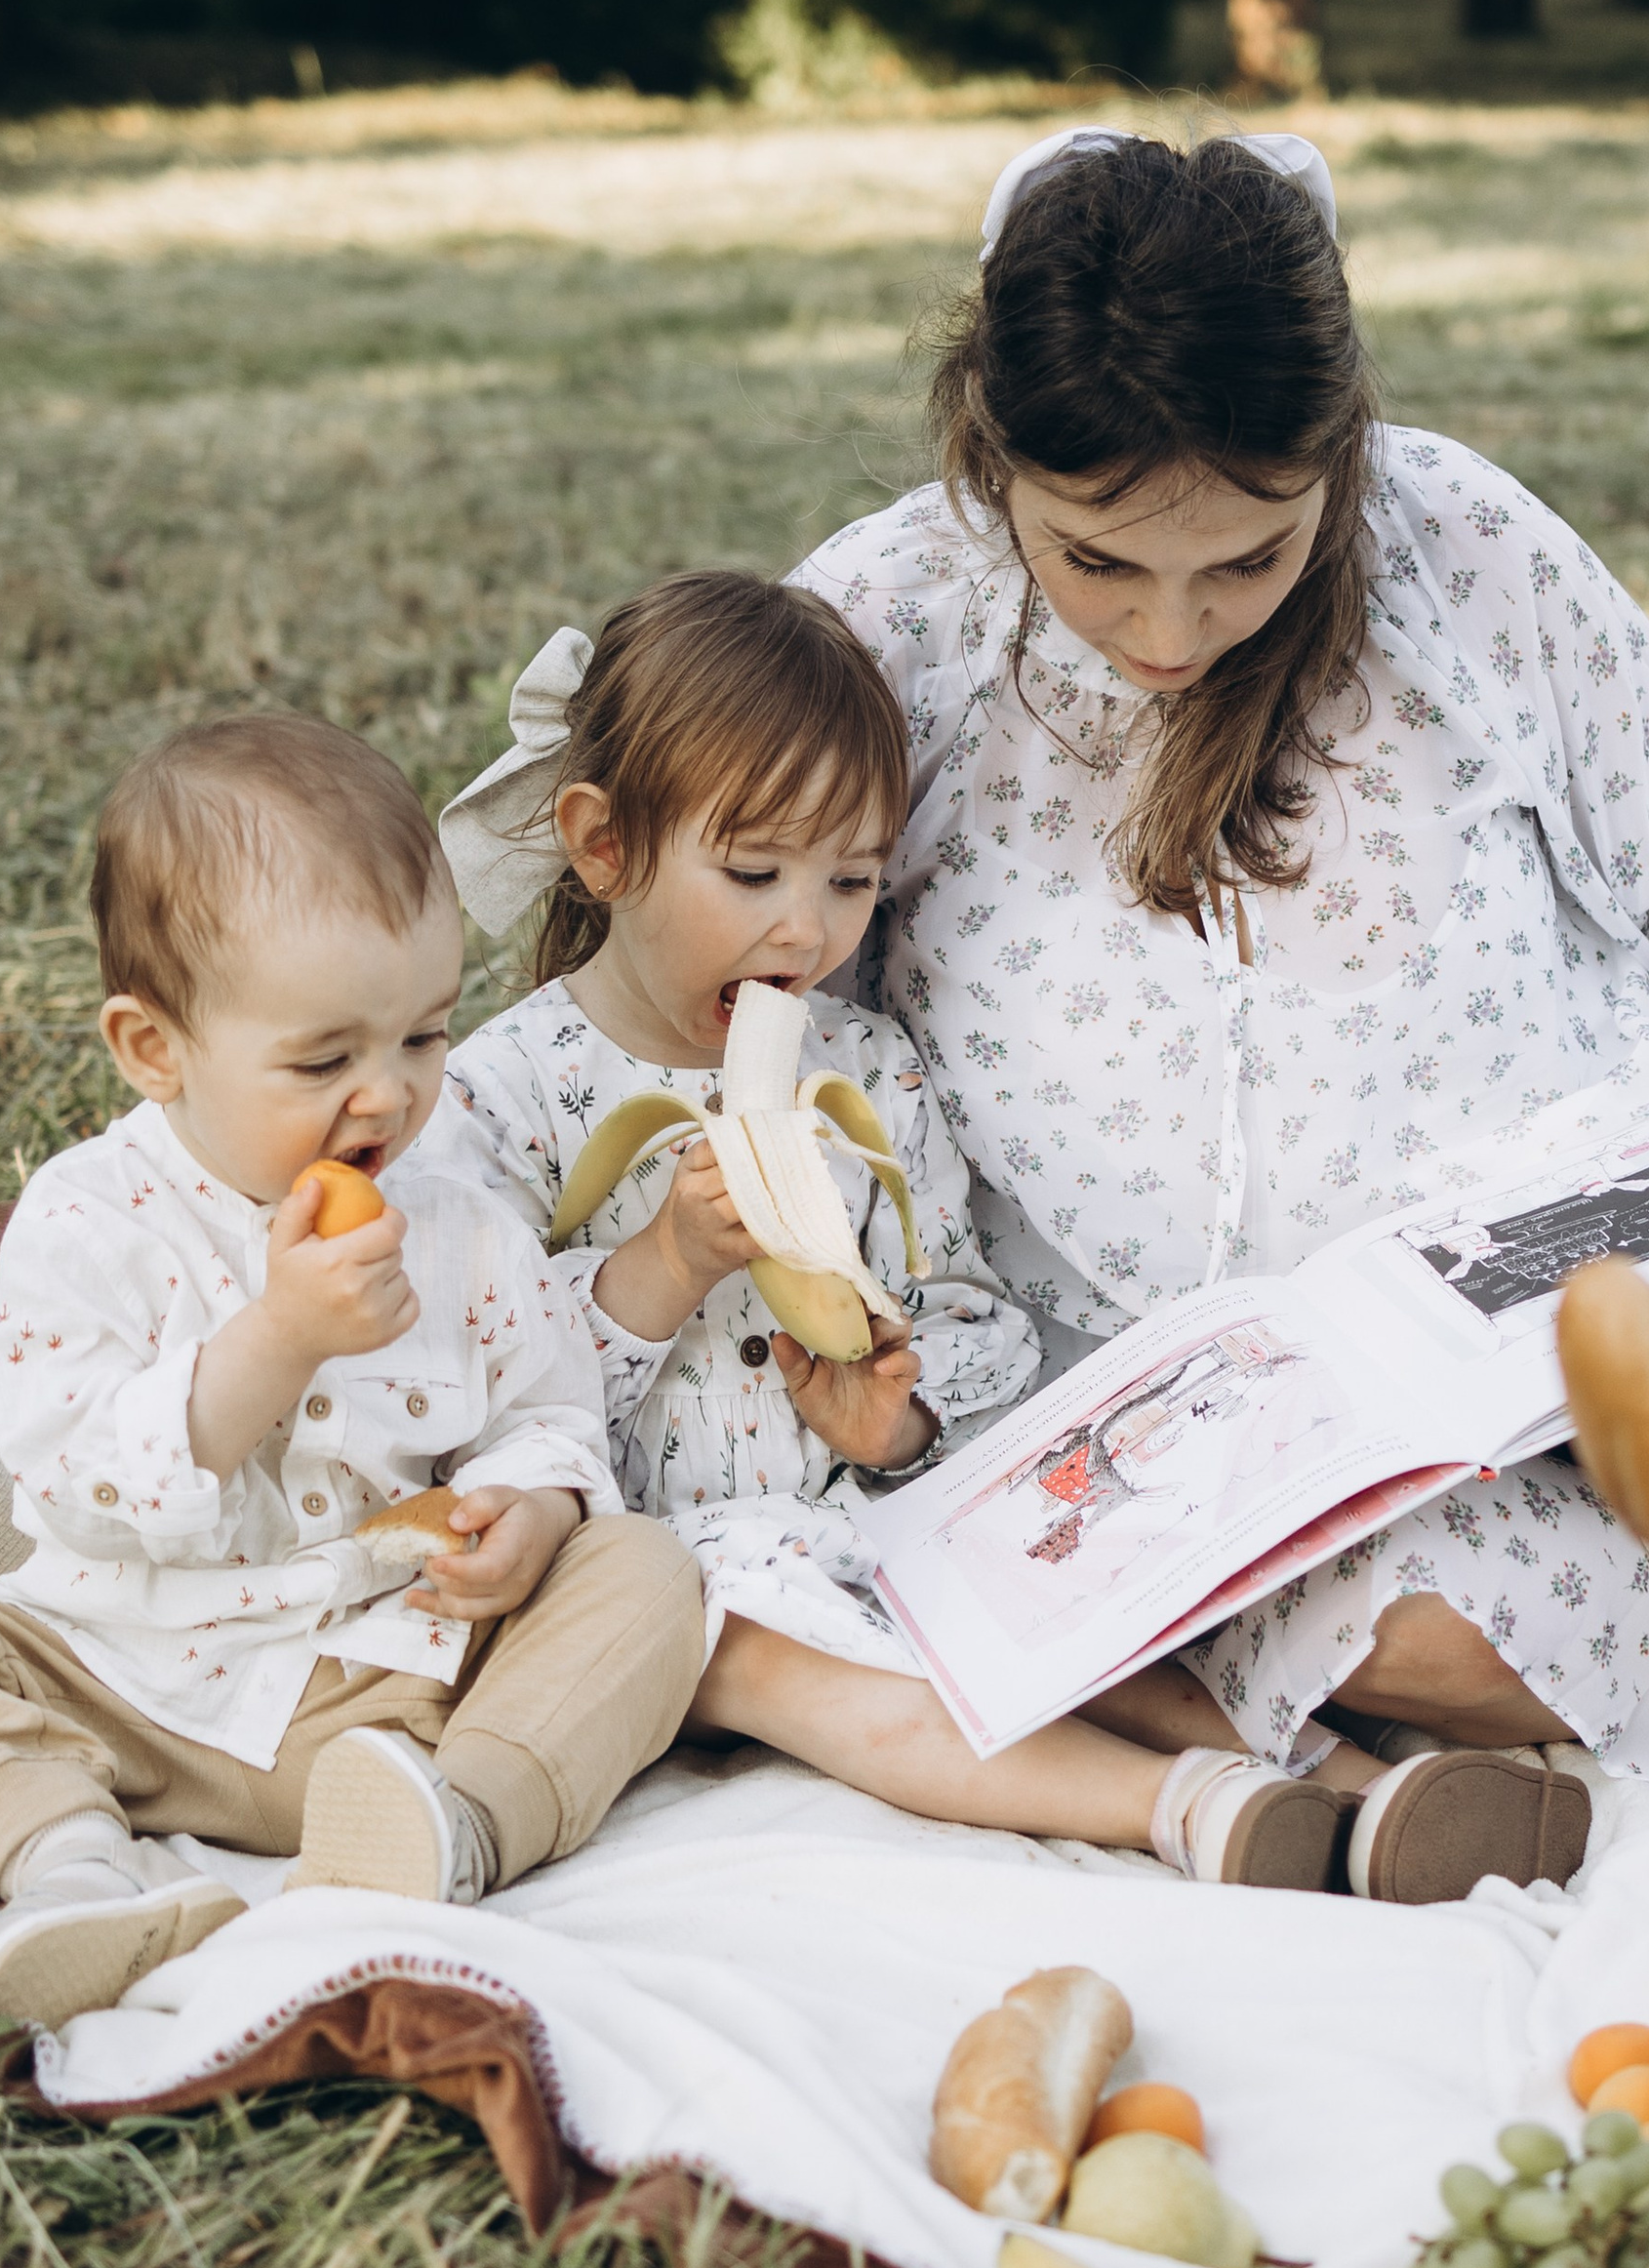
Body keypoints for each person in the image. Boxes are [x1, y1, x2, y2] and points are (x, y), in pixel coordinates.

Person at [787, 124, 1649, 1802]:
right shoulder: (893, 619)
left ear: (1339, 456)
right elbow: (724, 947)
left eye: (1250, 558)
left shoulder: (1455, 543)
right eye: (1096, 558)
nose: (1171, 632)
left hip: (1571, 1278)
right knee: (1435, 1635)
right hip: (1187, 1405)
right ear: (990, 453)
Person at [430, 568, 1494, 1892]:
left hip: (877, 1527)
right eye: (753, 869)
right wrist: (659, 1264)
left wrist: (905, 1416)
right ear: (604, 846)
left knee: (1049, 1604)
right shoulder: (503, 1095)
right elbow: (468, 1387)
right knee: (812, 1653)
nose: (805, 930)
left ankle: (1368, 1787)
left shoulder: (868, 1074)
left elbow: (968, 1305)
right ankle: (1190, 1808)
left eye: (852, 879)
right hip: (657, 1582)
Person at [0, 714, 705, 2028]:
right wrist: (275, 1339)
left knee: (648, 1571)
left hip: (389, 1687)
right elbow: (70, 1477)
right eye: (325, 1059)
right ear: (155, 1049)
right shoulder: (88, 1223)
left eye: (425, 1037)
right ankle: (64, 1858)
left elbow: (549, 1406)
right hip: (126, 1679)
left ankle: (460, 1828)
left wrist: (532, 1508)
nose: (386, 1097)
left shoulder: (456, 1216)